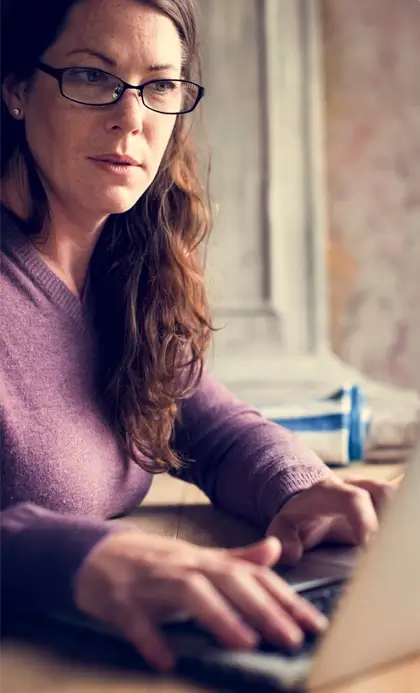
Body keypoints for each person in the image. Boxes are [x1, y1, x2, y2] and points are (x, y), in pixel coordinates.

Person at [0, 0, 394, 674]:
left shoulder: (126, 266)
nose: (132, 118)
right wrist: (80, 556)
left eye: (159, 85)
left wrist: (301, 487)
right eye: (93, 77)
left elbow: (209, 427)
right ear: (15, 90)